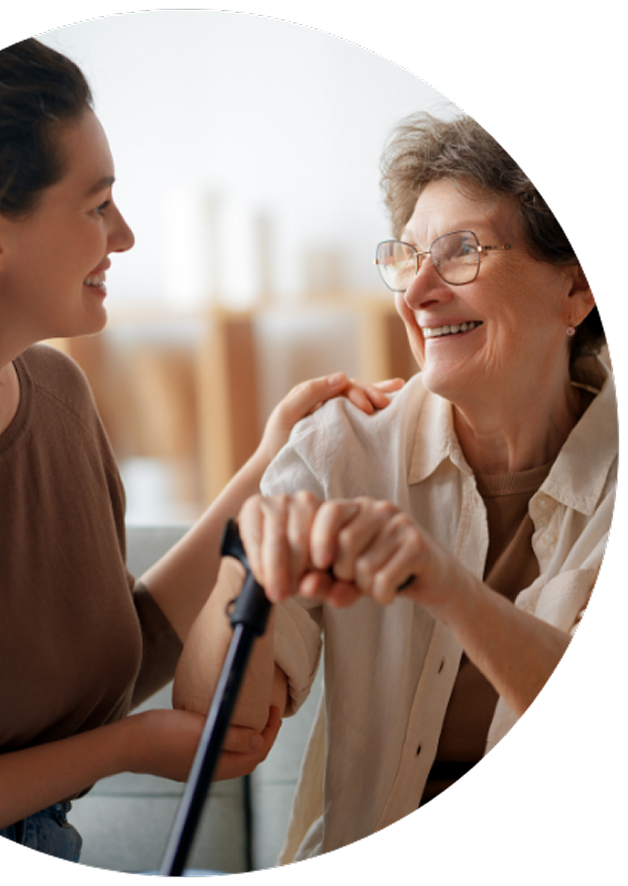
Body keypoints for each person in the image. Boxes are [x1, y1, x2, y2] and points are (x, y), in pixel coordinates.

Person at [0, 38, 402, 864]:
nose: (123, 236)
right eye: (97, 205)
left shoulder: (55, 394)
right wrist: (130, 748)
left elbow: (111, 653)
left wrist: (268, 461)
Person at [173, 112, 615, 863]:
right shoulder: (339, 453)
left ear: (575, 288)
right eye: (409, 257)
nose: (419, 290)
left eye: (461, 251)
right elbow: (217, 733)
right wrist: (252, 556)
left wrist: (448, 587)